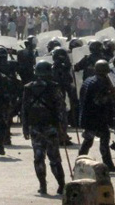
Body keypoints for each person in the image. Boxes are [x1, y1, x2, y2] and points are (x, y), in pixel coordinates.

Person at [21, 60, 67, 195]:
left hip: (35, 128)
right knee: (54, 159)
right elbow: (61, 109)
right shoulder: (54, 87)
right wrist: (63, 129)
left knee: (38, 158)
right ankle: (61, 185)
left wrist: (24, 127)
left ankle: (43, 186)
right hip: (51, 128)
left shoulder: (28, 88)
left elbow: (24, 109)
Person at [78, 60, 115, 172]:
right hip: (97, 117)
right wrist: (111, 94)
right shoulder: (100, 83)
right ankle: (108, 164)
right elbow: (98, 101)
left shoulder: (88, 80)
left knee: (88, 141)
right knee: (103, 140)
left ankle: (79, 164)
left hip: (88, 116)